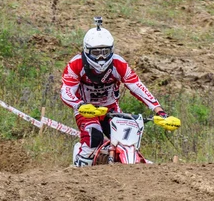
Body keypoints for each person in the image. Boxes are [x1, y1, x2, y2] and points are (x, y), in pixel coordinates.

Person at [60, 17, 172, 167]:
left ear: (111, 50)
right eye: (96, 53)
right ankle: (77, 171)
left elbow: (137, 87)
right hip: (86, 110)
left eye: (105, 52)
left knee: (127, 141)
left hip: (111, 109)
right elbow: (66, 91)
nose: (101, 57)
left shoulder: (119, 64)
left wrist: (159, 110)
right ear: (87, 50)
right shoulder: (75, 64)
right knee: (93, 136)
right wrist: (79, 105)